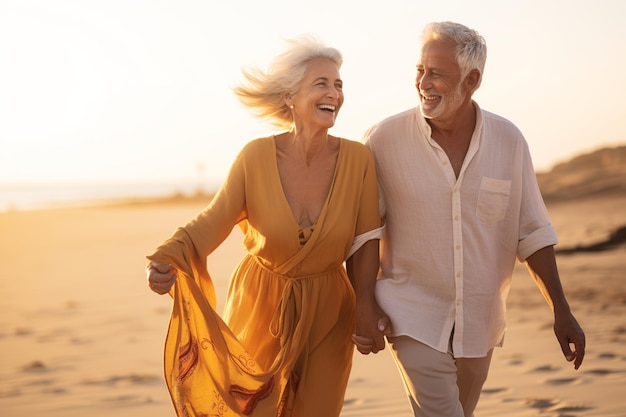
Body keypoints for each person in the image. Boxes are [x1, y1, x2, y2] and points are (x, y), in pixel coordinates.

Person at [145, 35, 386, 417]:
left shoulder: (359, 160)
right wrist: (167, 256)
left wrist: (367, 308)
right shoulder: (255, 157)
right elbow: (213, 220)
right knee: (253, 410)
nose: (334, 94)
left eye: (338, 84)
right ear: (291, 96)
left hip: (330, 308)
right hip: (261, 302)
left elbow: (365, 241)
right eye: (321, 83)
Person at [355, 21, 586, 417]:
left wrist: (561, 309)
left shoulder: (508, 140)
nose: (423, 82)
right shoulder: (383, 140)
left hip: (480, 321)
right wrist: (362, 304)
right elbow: (364, 232)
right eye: (419, 71)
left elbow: (531, 232)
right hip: (410, 314)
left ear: (472, 79)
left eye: (436, 74)